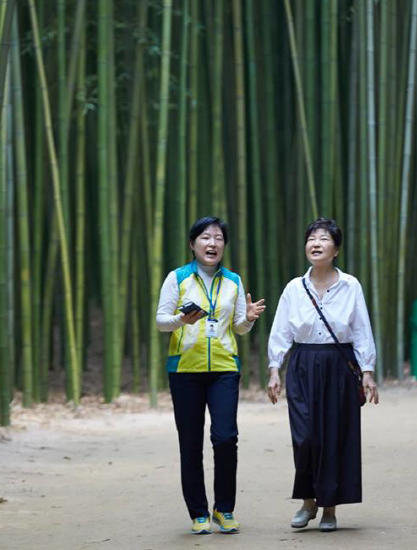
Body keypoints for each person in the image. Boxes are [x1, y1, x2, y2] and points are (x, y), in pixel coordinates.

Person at [267, 217, 378, 532]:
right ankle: (307, 501)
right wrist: (274, 368)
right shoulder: (294, 287)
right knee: (306, 437)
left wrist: (367, 371)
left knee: (334, 437)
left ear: (337, 249)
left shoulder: (350, 285)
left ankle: (329, 508)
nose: (316, 244)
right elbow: (280, 331)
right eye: (311, 238)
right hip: (302, 364)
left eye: (324, 239)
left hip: (337, 364)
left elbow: (361, 330)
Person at [156, 216, 265, 536]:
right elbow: (161, 321)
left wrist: (250, 319)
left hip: (224, 369)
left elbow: (239, 329)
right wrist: (181, 319)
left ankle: (224, 508)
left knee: (226, 437)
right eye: (205, 237)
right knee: (190, 443)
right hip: (185, 370)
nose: (212, 243)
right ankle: (199, 513)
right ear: (193, 244)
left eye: (218, 238)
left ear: (224, 246)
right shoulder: (177, 278)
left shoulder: (233, 281)